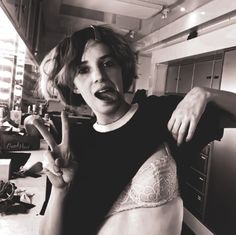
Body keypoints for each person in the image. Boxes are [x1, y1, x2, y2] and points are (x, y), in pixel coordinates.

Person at [33, 25, 236, 235]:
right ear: (73, 85)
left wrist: (205, 94)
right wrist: (60, 190)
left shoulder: (161, 113)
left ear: (121, 68)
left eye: (108, 63)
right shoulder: (71, 147)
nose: (99, 76)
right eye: (83, 70)